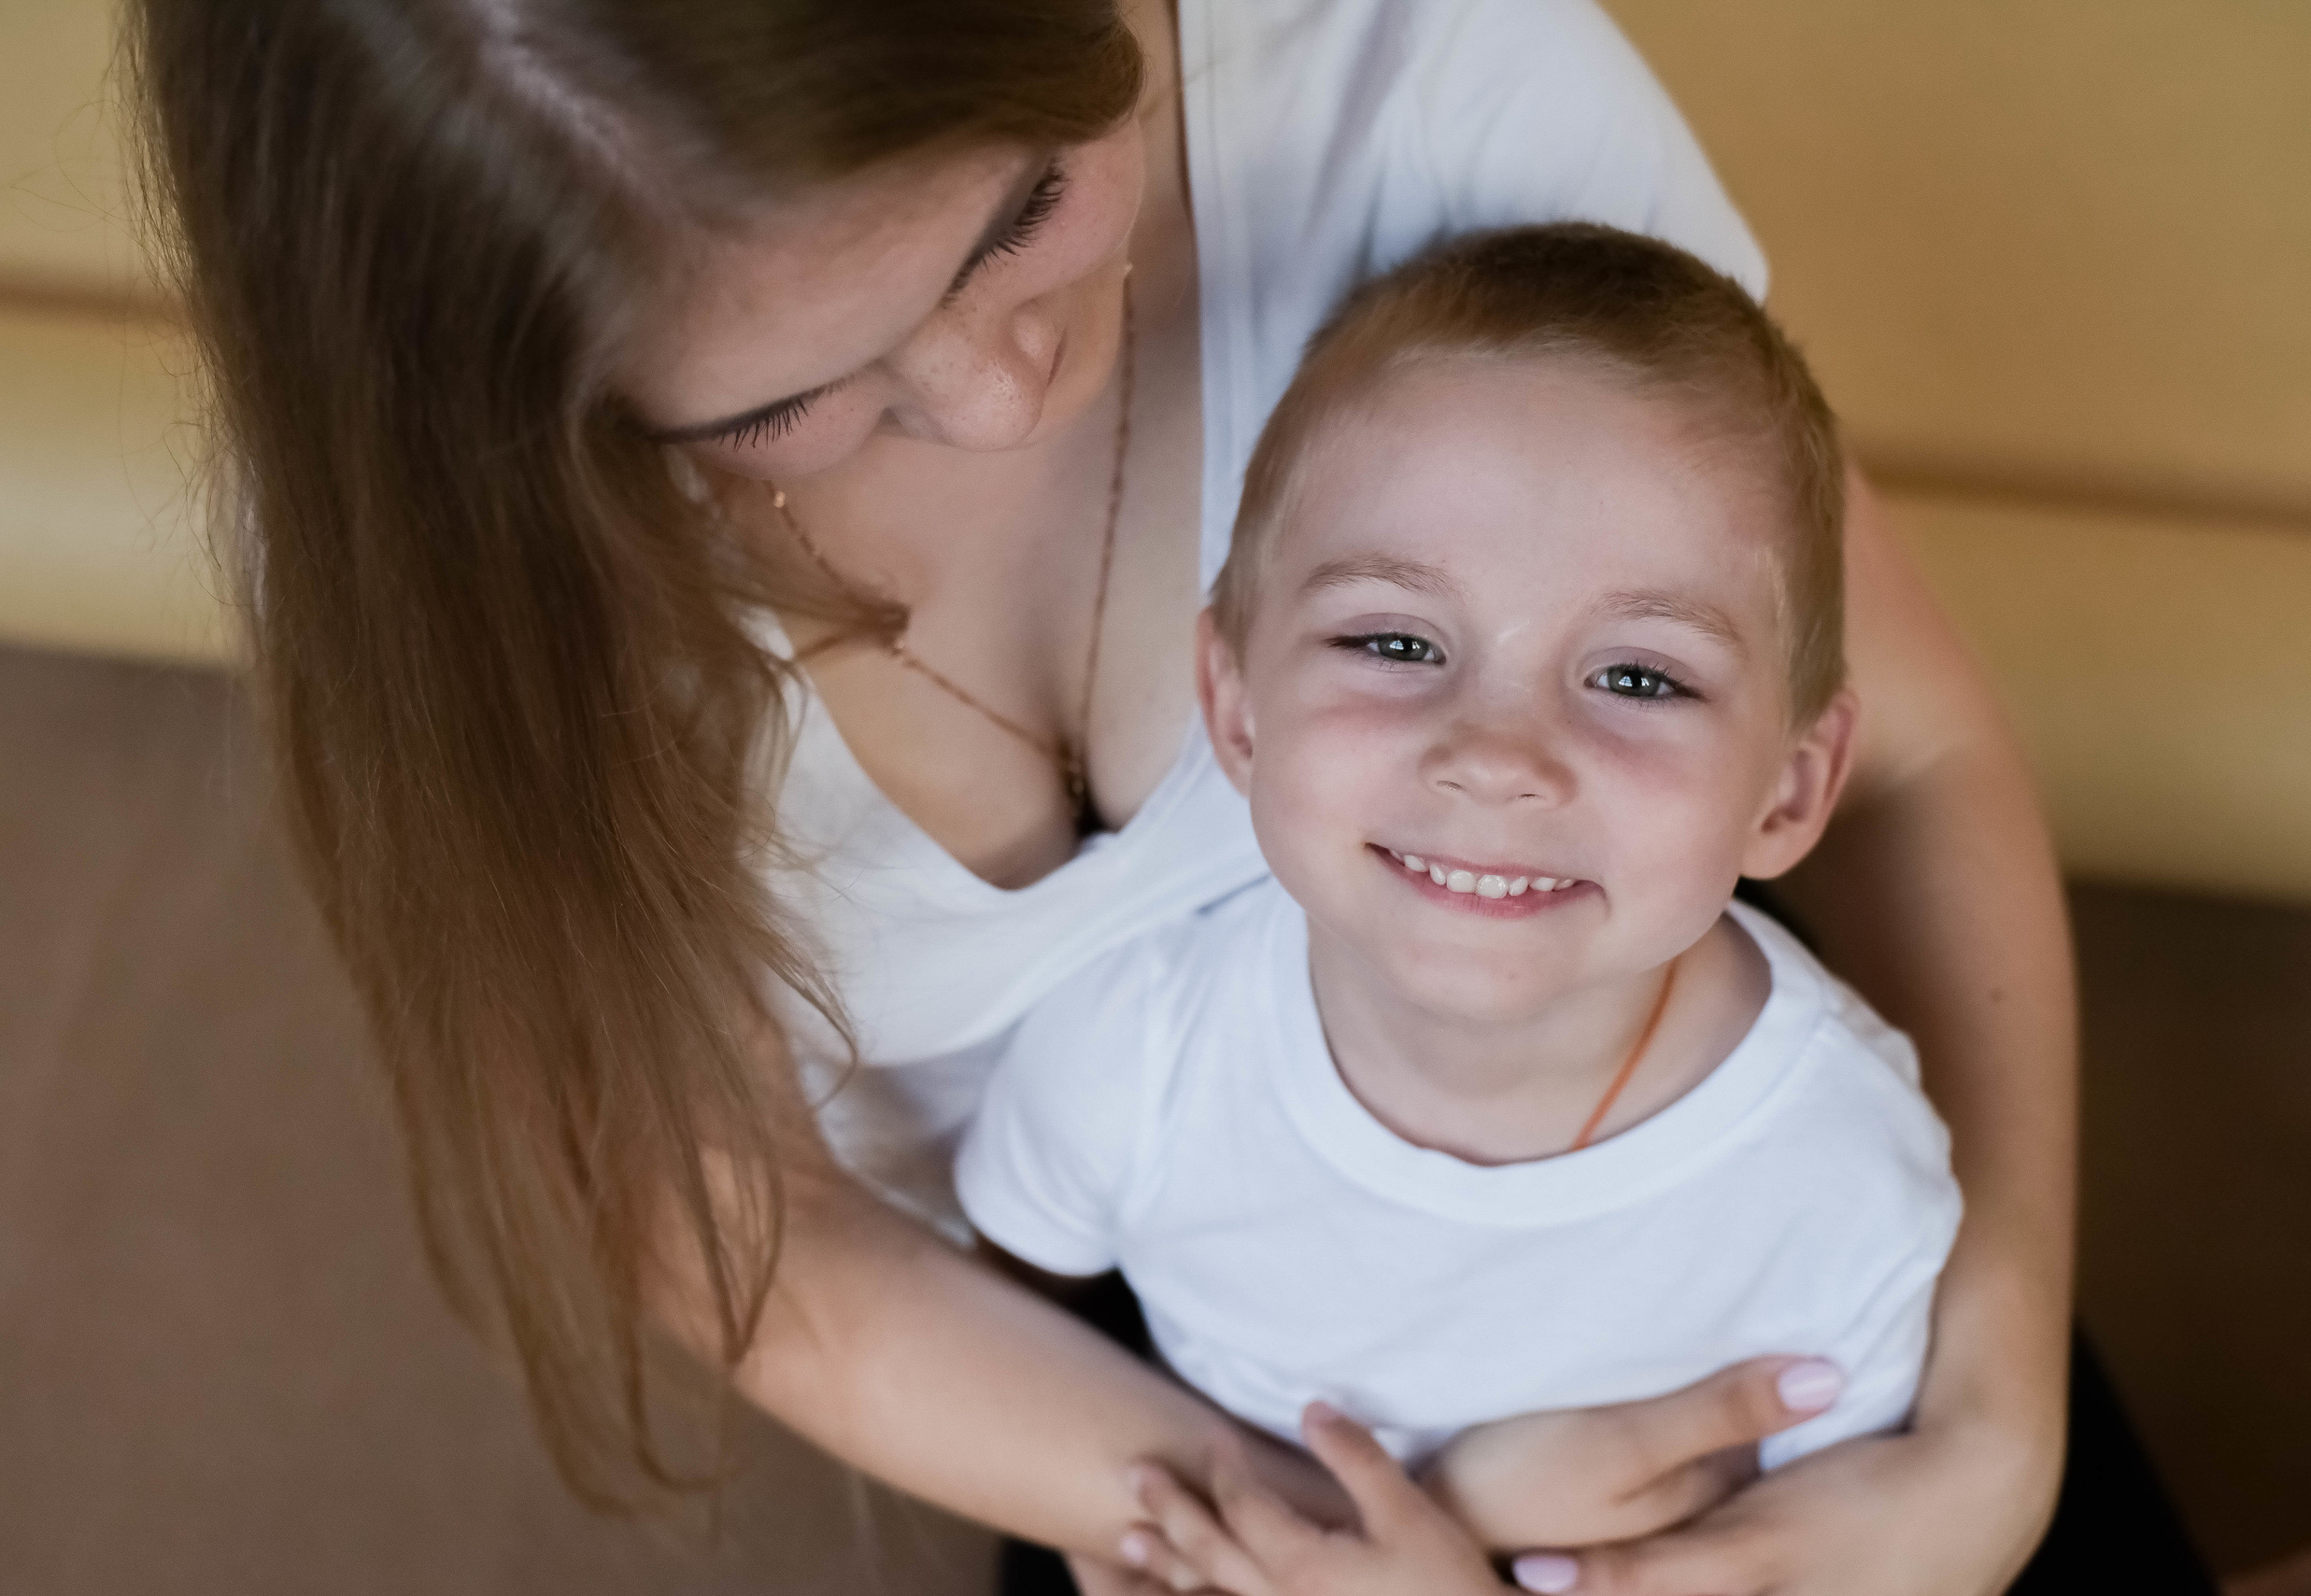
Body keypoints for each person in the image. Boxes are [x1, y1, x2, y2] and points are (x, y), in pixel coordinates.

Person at [132, 0, 2127, 1590]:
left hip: (1653, 1096)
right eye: (778, 404)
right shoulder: (444, 558)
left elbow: (1907, 747)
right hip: (1136, 1364)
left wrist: (1994, 1426)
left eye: (1023, 210)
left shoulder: (1408, 73)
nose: (1002, 393)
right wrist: (1319, 1529)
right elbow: (712, 1202)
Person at [957, 222, 1966, 1586]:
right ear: (1237, 711)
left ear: (1787, 790)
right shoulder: (1133, 1051)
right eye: (1394, 640)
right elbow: (1020, 1351)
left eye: (1638, 677)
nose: (1496, 755)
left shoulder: (1840, 1173)